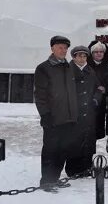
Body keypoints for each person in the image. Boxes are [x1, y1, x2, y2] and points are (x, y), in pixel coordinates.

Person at [34, 36, 75, 191]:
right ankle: (46, 180)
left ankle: (55, 178)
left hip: (68, 118)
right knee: (51, 150)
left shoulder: (68, 67)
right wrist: (45, 115)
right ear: (52, 48)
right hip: (52, 118)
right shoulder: (43, 68)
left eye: (65, 48)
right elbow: (40, 95)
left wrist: (74, 115)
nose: (63, 51)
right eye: (60, 47)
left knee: (63, 150)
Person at [66, 45, 104, 177]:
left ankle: (86, 167)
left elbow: (99, 88)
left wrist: (95, 100)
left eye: (84, 56)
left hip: (89, 112)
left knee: (88, 141)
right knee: (73, 141)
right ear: (74, 57)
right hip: (73, 113)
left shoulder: (90, 71)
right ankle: (72, 169)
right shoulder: (67, 70)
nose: (82, 58)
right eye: (79, 56)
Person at [88, 41, 108, 140]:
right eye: (96, 52)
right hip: (88, 104)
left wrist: (106, 89)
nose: (99, 54)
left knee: (97, 133)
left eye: (101, 51)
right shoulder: (87, 67)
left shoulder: (107, 68)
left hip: (101, 105)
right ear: (91, 53)